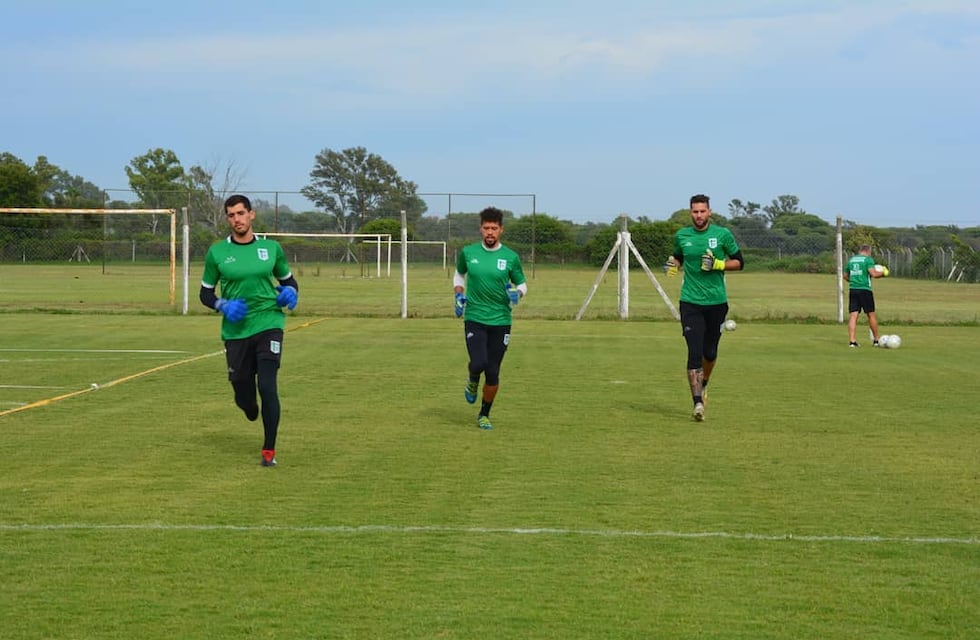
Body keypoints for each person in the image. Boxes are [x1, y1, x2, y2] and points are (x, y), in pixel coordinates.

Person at [200, 194, 299, 467]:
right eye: (231, 215)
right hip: (236, 331)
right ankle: (248, 405)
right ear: (227, 218)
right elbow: (205, 293)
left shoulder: (272, 248)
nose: (237, 219)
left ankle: (269, 450)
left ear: (251, 214)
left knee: (267, 385)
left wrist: (290, 294)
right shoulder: (217, 252)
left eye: (241, 213)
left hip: (269, 322)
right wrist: (222, 304)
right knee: (243, 393)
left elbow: (289, 281)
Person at [666, 194, 744, 422]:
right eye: (694, 211)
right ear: (690, 212)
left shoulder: (722, 235)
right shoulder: (682, 235)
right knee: (694, 352)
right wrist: (673, 265)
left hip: (717, 303)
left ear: (709, 212)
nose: (698, 215)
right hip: (690, 301)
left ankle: (704, 384)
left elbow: (739, 262)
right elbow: (678, 257)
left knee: (709, 353)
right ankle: (697, 403)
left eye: (702, 211)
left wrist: (718, 264)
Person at [453, 206, 527, 430]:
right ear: (480, 229)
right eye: (486, 228)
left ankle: (484, 414)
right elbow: (459, 274)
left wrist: (518, 293)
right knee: (478, 363)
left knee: (493, 371)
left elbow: (522, 284)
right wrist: (458, 295)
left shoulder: (511, 257)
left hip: (501, 321)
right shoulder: (469, 253)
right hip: (474, 316)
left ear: (501, 230)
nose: (490, 232)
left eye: (494, 228)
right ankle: (473, 379)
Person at [844, 244, 888, 347]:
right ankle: (876, 340)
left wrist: (854, 280)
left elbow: (845, 276)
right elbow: (874, 274)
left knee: (853, 315)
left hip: (853, 289)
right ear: (868, 251)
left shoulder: (851, 260)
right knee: (870, 314)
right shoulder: (868, 260)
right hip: (865, 290)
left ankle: (852, 341)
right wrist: (884, 273)